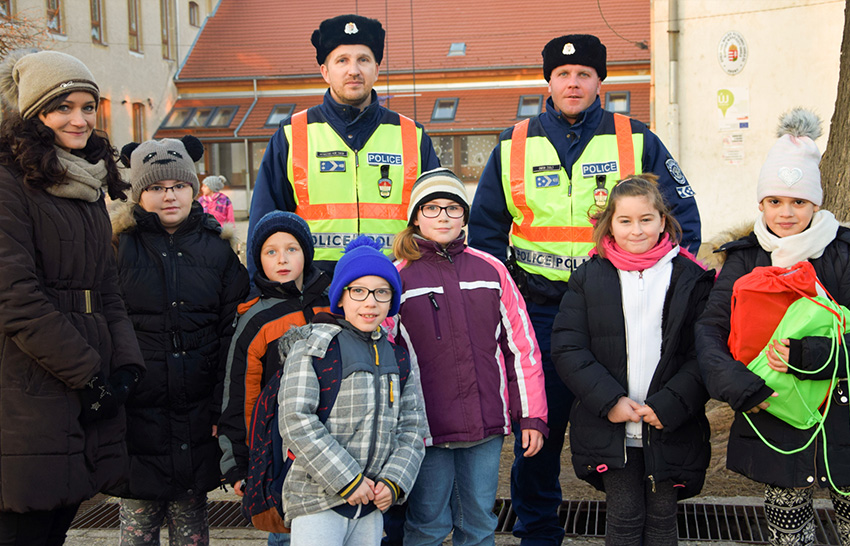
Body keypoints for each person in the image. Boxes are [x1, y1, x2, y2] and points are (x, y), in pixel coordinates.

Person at [467, 33, 702, 545]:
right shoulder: (513, 144)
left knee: (631, 427)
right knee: (539, 432)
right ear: (547, 80)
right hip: (539, 311)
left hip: (623, 310)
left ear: (601, 80)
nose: (573, 84)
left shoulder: (637, 139)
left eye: (584, 75)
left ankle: (637, 527)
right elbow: (484, 233)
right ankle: (539, 533)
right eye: (563, 75)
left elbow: (683, 217)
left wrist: (668, 290)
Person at [0, 49, 145, 545]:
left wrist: (125, 366)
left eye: (88, 106)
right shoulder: (8, 184)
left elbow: (107, 289)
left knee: (56, 524)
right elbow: (15, 298)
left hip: (86, 387)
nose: (79, 119)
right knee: (25, 525)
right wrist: (89, 374)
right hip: (30, 385)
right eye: (62, 108)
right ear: (34, 115)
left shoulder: (83, 185)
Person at [696, 108, 850, 546]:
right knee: (788, 530)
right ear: (761, 203)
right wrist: (741, 389)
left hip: (843, 413)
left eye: (798, 202)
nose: (786, 213)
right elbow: (711, 330)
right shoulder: (745, 258)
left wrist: (809, 357)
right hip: (773, 410)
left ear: (816, 204)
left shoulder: (843, 253)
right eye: (775, 201)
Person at [389, 168, 548, 546]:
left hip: (484, 426)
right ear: (415, 217)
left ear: (465, 216)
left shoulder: (491, 270)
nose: (443, 216)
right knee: (427, 522)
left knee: (478, 521)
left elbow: (521, 347)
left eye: (452, 207)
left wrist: (532, 415)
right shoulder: (397, 278)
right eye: (431, 208)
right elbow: (384, 357)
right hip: (425, 429)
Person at [551, 174, 712, 546]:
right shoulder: (589, 277)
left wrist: (670, 405)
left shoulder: (691, 278)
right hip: (612, 427)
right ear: (610, 224)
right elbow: (568, 347)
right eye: (625, 221)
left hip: (670, 424)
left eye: (646, 219)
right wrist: (609, 401)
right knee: (623, 519)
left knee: (662, 521)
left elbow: (704, 352)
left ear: (663, 221)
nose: (636, 230)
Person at [110, 136, 249, 545]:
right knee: (137, 527)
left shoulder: (219, 251)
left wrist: (221, 406)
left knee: (191, 529)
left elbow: (232, 333)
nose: (168, 196)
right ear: (139, 193)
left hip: (197, 415)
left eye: (178, 186)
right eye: (155, 187)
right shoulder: (117, 248)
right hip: (138, 416)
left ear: (194, 187)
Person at [246, 14, 441, 280]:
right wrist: (262, 291)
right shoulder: (292, 134)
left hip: (396, 286)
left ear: (377, 69)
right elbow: (263, 224)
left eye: (363, 59)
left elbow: (438, 218)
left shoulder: (412, 136)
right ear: (325, 72)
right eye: (342, 60)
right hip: (313, 290)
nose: (353, 70)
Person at [279, 235, 427, 546]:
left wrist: (394, 481)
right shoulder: (315, 345)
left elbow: (413, 428)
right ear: (341, 297)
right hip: (318, 501)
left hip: (371, 503)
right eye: (358, 291)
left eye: (381, 292)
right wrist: (348, 480)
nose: (370, 302)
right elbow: (296, 420)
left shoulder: (399, 357)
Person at [218, 210, 330, 545]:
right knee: (284, 529)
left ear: (306, 253)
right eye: (271, 251)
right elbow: (239, 394)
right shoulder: (256, 319)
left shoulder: (332, 305)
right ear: (259, 260)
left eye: (292, 249)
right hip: (278, 452)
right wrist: (237, 462)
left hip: (332, 441)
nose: (282, 259)